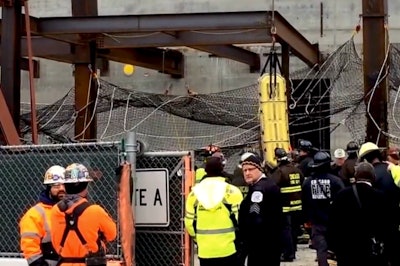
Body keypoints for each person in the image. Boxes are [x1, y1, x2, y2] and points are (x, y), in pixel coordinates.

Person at [328, 162, 396, 266]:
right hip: (372, 253)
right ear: (374, 177)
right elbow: (389, 227)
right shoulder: (381, 197)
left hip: (347, 252)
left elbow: (333, 223)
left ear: (355, 177)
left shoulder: (342, 195)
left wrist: (335, 248)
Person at [50, 163, 117, 266]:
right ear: (85, 185)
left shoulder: (55, 210)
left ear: (65, 185)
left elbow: (54, 240)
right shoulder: (95, 211)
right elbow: (112, 235)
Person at [185, 156, 243, 266]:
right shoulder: (232, 191)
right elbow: (240, 220)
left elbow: (189, 223)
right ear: (222, 170)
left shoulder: (194, 194)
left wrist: (198, 240)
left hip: (205, 251)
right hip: (228, 249)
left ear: (205, 170)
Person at [238, 153, 283, 266]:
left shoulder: (259, 189)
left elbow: (254, 218)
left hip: (260, 245)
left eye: (251, 169)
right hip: (272, 242)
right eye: (244, 170)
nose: (247, 173)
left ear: (259, 169)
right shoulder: (269, 184)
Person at [302, 151, 344, 266]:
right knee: (338, 250)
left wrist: (306, 220)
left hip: (317, 223)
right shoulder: (336, 181)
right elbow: (342, 202)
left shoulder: (307, 183)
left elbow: (304, 203)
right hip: (334, 222)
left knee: (321, 250)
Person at [20, 165, 66, 266]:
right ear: (49, 188)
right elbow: (30, 247)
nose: (61, 189)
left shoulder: (73, 209)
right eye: (56, 185)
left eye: (64, 185)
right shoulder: (35, 214)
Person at [270, 148, 304, 262]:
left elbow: (272, 186)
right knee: (294, 230)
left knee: (286, 230)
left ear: (277, 159)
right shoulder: (297, 170)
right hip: (298, 206)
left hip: (286, 206)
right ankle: (293, 251)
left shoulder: (280, 172)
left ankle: (288, 254)